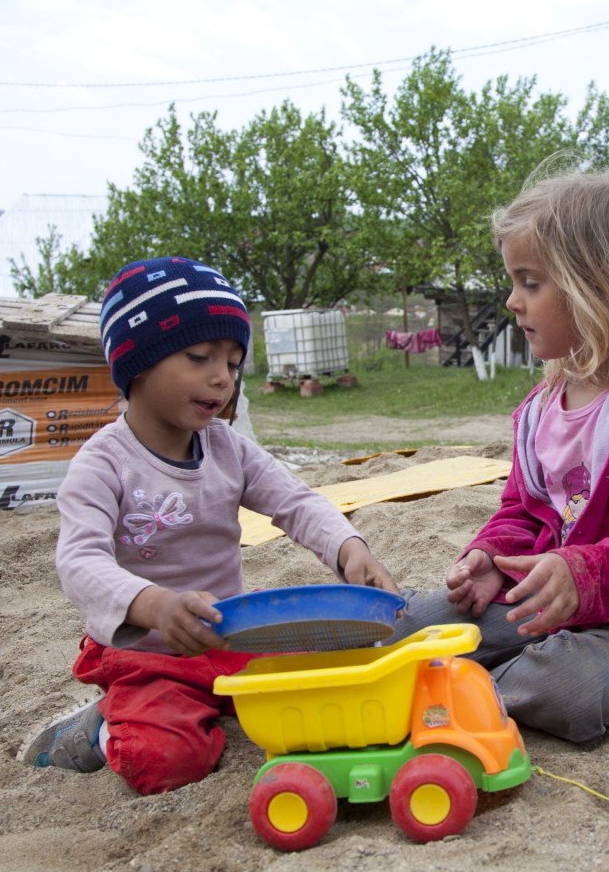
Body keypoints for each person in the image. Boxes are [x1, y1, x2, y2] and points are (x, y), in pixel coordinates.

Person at [20, 256, 397, 795]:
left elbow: (295, 501)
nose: (222, 377)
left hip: (229, 637)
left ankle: (207, 706)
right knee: (166, 763)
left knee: (331, 677)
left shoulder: (227, 448)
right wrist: (154, 605)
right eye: (200, 357)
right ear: (138, 364)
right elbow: (80, 562)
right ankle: (99, 728)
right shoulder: (103, 463)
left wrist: (348, 548)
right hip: (147, 657)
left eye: (234, 362)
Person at [389, 169, 609, 743]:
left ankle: (465, 694)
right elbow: (524, 510)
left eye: (531, 283)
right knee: (412, 626)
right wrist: (492, 557)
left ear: (600, 286)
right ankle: (472, 680)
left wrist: (584, 573)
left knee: (570, 690)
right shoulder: (540, 409)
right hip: (544, 601)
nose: (512, 301)